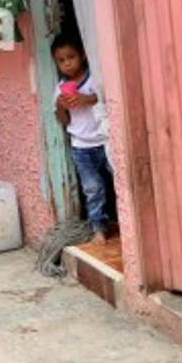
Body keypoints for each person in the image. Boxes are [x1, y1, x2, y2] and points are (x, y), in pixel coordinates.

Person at [51, 34, 113, 244]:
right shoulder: (60, 88)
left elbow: (103, 98)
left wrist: (83, 98)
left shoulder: (94, 78)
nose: (67, 63)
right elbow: (62, 120)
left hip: (105, 140)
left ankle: (125, 220)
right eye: (61, 60)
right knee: (93, 188)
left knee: (119, 182)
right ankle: (98, 228)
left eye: (71, 57)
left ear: (83, 56)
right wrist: (61, 105)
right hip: (81, 147)